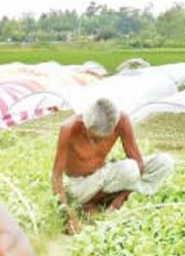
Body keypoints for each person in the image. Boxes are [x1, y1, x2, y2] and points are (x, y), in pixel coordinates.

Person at [52, 97, 173, 235]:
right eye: (94, 138)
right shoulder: (69, 128)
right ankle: (91, 205)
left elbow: (138, 163)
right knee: (129, 170)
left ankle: (108, 203)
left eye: (104, 138)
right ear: (84, 124)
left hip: (105, 174)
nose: (98, 143)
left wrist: (119, 200)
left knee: (163, 162)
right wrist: (68, 216)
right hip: (81, 186)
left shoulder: (122, 120)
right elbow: (56, 176)